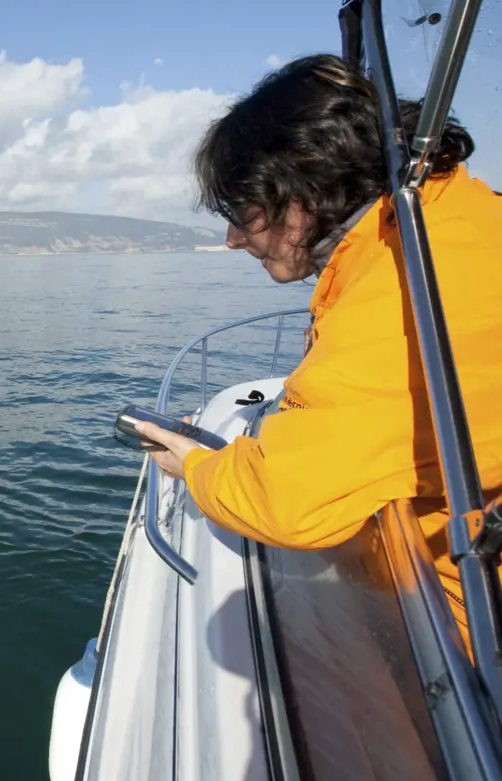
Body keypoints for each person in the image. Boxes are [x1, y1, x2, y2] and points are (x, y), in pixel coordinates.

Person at [134, 54, 502, 644]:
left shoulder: (403, 288)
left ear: (301, 191)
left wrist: (195, 467)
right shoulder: (454, 221)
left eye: (242, 212)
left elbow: (286, 501)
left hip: (475, 637)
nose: (232, 239)